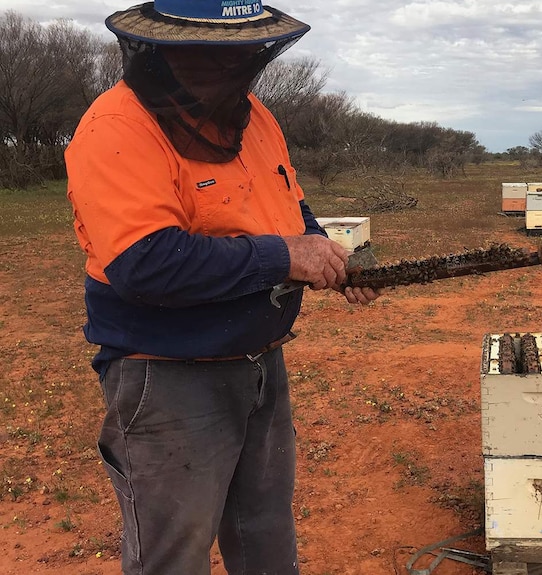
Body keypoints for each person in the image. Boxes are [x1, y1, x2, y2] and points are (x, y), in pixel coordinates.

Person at [64, 1, 381, 573]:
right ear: (165, 47)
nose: (227, 64)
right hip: (168, 375)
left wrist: (329, 257)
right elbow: (148, 262)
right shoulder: (116, 128)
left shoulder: (254, 116)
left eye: (237, 51)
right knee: (174, 554)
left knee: (264, 531)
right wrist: (287, 256)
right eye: (211, 50)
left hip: (261, 364)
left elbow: (289, 206)